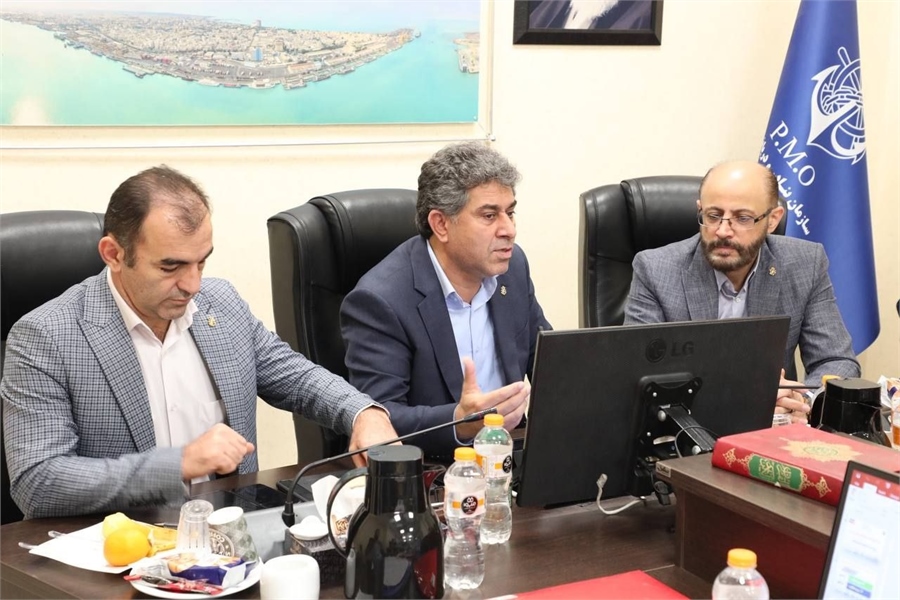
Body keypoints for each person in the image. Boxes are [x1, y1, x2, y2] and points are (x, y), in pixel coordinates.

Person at [1, 166, 396, 519]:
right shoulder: (46, 336)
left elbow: (297, 378)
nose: (192, 284)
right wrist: (179, 464)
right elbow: (37, 482)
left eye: (201, 261)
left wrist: (363, 413)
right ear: (114, 254)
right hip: (121, 550)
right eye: (170, 266)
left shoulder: (220, 303)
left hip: (235, 537)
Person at [340, 142, 551, 460]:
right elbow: (378, 417)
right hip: (434, 469)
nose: (509, 230)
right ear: (441, 224)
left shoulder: (513, 268)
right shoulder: (380, 300)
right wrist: (459, 422)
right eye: (489, 215)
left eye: (510, 213)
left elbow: (549, 364)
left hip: (509, 456)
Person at [624, 160, 860, 424]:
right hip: (690, 433)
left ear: (772, 220)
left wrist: (801, 401)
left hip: (774, 433)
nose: (723, 231)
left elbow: (837, 361)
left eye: (743, 218)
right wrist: (749, 405)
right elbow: (636, 379)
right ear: (700, 210)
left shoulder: (806, 264)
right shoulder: (655, 270)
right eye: (713, 216)